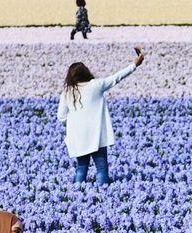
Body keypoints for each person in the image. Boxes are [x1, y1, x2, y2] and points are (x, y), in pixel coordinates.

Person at [57, 50, 144, 185]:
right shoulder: (96, 85)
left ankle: (76, 194)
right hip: (97, 135)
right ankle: (104, 195)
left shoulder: (67, 91)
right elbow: (117, 77)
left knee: (81, 168)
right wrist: (134, 65)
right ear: (86, 72)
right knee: (102, 168)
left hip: (79, 137)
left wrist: (76, 122)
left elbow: (61, 117)